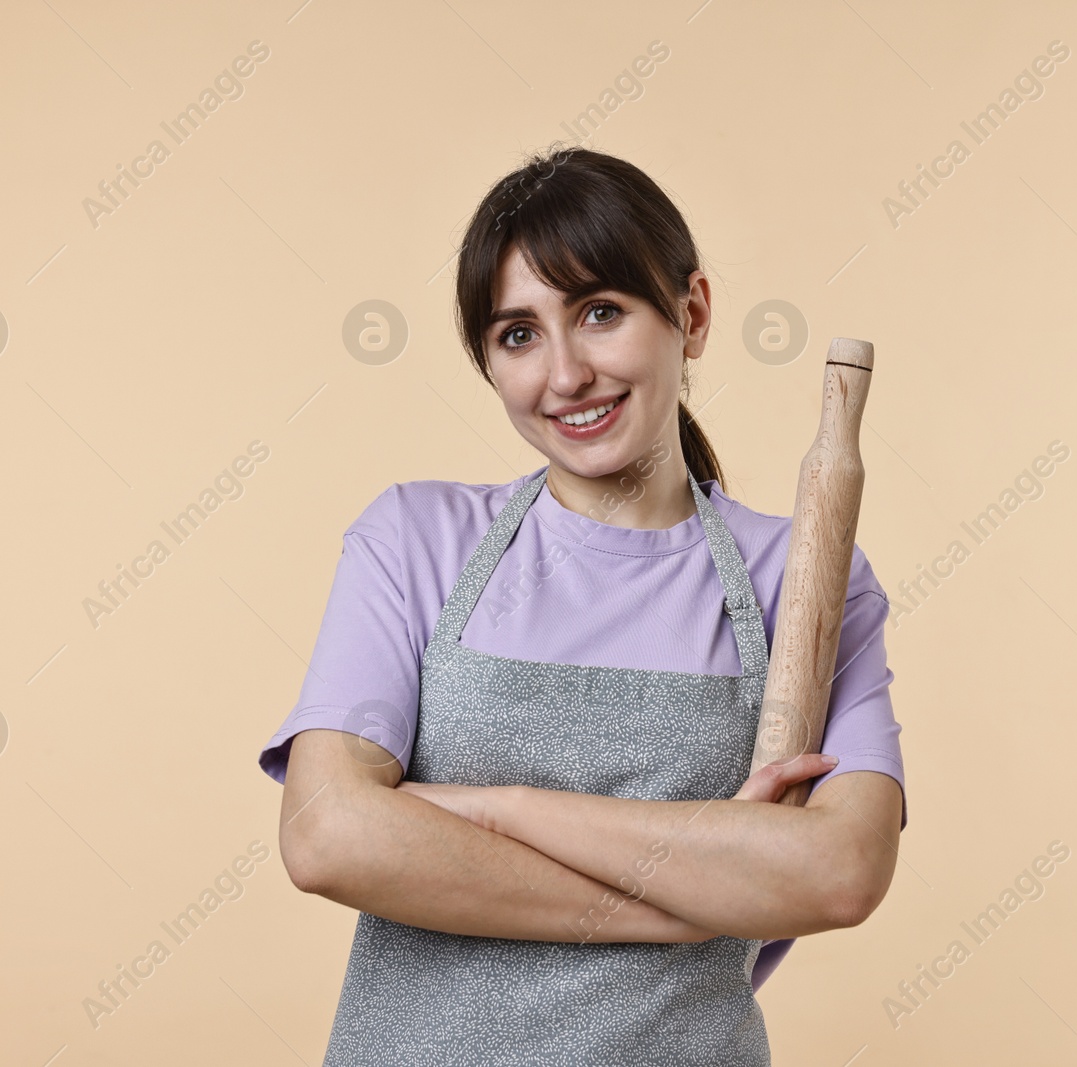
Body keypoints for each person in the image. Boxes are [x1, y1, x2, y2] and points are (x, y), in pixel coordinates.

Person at [257, 145, 906, 1066]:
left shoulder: (801, 579)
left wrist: (491, 808)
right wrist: (689, 896)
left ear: (693, 312)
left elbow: (838, 872)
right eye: (518, 333)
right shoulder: (413, 540)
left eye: (600, 312)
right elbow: (327, 834)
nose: (564, 375)